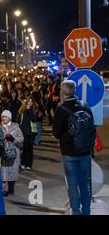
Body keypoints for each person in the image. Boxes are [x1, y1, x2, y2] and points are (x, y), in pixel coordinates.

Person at [53, 80, 95, 215]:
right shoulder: (85, 106)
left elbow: (56, 133)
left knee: (72, 185)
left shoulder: (61, 109)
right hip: (85, 151)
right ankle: (86, 211)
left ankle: (76, 212)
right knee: (85, 184)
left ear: (62, 92)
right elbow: (92, 127)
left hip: (69, 153)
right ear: (74, 90)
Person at [0, 110, 24, 196]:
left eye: (6, 117)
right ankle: (4, 189)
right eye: (3, 117)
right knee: (4, 170)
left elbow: (21, 139)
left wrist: (13, 138)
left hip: (14, 152)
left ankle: (11, 186)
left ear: (9, 117)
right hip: (3, 152)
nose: (4, 118)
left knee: (13, 170)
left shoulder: (16, 127)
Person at [17, 97, 42, 171]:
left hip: (32, 132)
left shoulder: (35, 110)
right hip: (24, 131)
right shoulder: (22, 109)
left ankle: (29, 164)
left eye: (31, 101)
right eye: (29, 101)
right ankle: (23, 163)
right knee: (25, 148)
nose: (30, 103)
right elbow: (18, 119)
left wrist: (29, 110)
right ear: (26, 102)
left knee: (30, 149)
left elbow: (34, 119)